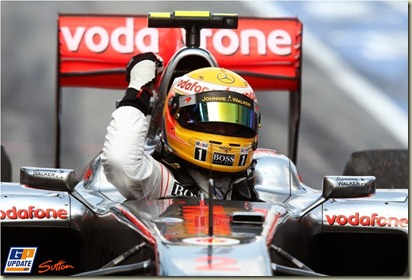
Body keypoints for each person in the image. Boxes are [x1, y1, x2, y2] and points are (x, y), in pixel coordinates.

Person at [101, 52, 261, 201]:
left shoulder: (263, 175)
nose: (222, 131)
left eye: (232, 125)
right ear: (176, 117)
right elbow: (119, 162)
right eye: (210, 123)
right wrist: (138, 90)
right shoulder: (160, 180)